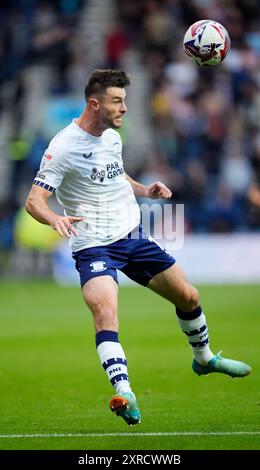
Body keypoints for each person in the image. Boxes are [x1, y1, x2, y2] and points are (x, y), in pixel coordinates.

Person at [25, 69, 251, 426]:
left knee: (189, 297)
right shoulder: (63, 147)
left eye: (125, 101)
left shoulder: (113, 137)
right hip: (94, 246)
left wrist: (146, 189)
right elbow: (34, 201)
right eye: (117, 101)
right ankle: (124, 392)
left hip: (133, 238)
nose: (124, 108)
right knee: (106, 315)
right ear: (94, 104)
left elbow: (116, 176)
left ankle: (204, 358)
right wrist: (54, 219)